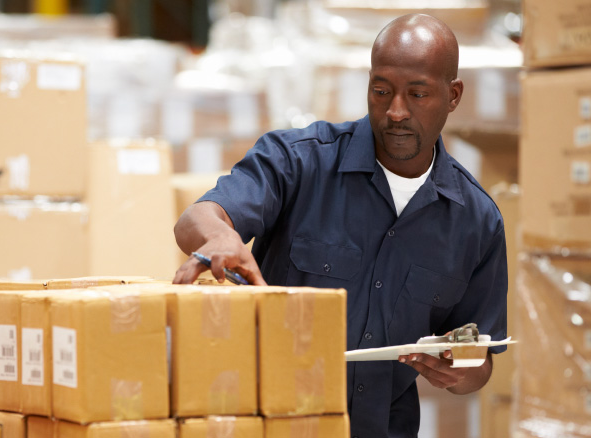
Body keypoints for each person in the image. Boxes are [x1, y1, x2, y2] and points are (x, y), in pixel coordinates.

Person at [172, 13, 508, 437]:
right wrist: (220, 237)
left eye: (418, 94)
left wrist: (461, 370)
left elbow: (482, 360)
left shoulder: (476, 221)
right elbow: (196, 218)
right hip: (274, 426)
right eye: (381, 90)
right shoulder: (298, 162)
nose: (396, 111)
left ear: (453, 95)